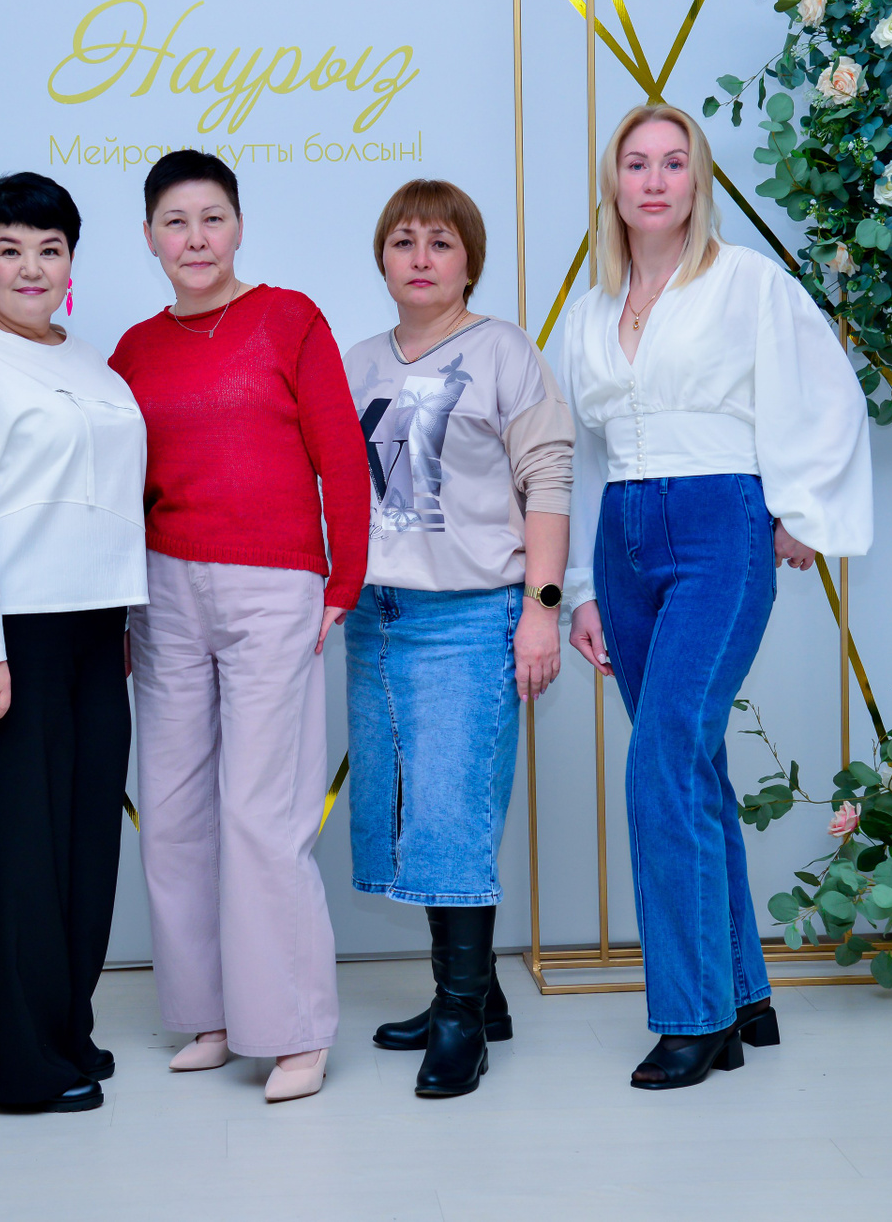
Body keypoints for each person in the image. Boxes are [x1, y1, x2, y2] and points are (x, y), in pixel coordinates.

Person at [558, 104, 872, 1090]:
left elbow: (828, 391)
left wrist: (803, 513)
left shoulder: (746, 282)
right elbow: (585, 456)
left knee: (660, 761)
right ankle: (743, 991)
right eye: (636, 163)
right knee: (690, 764)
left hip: (717, 528)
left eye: (673, 162)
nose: (654, 180)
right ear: (613, 184)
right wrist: (580, 588)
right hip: (622, 539)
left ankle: (694, 1019)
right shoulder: (591, 311)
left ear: (697, 181)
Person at [110, 150, 369, 1103]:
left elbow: (341, 453)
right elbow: (117, 488)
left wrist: (345, 576)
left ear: (239, 226)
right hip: (163, 589)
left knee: (263, 813)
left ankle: (293, 1029)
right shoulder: (134, 350)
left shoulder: (289, 318)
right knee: (174, 810)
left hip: (274, 584)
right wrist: (118, 603)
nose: (195, 239)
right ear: (149, 237)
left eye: (212, 218)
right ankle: (210, 1014)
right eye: (175, 223)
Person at [0, 172, 147, 1114]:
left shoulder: (91, 363)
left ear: (71, 262)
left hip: (98, 632)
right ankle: (17, 1064)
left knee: (85, 845)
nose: (31, 267)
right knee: (16, 853)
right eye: (9, 250)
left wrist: (124, 620)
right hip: (9, 637)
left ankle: (65, 1029)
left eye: (50, 249)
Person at [342, 180, 572, 1098]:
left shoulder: (505, 350)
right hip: (379, 616)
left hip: (474, 614)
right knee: (408, 809)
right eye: (404, 241)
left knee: (452, 811)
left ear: (469, 260)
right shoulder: (358, 361)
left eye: (441, 241)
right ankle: (474, 997)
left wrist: (542, 607)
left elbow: (548, 479)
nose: (422, 257)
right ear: (381, 258)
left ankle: (459, 1021)